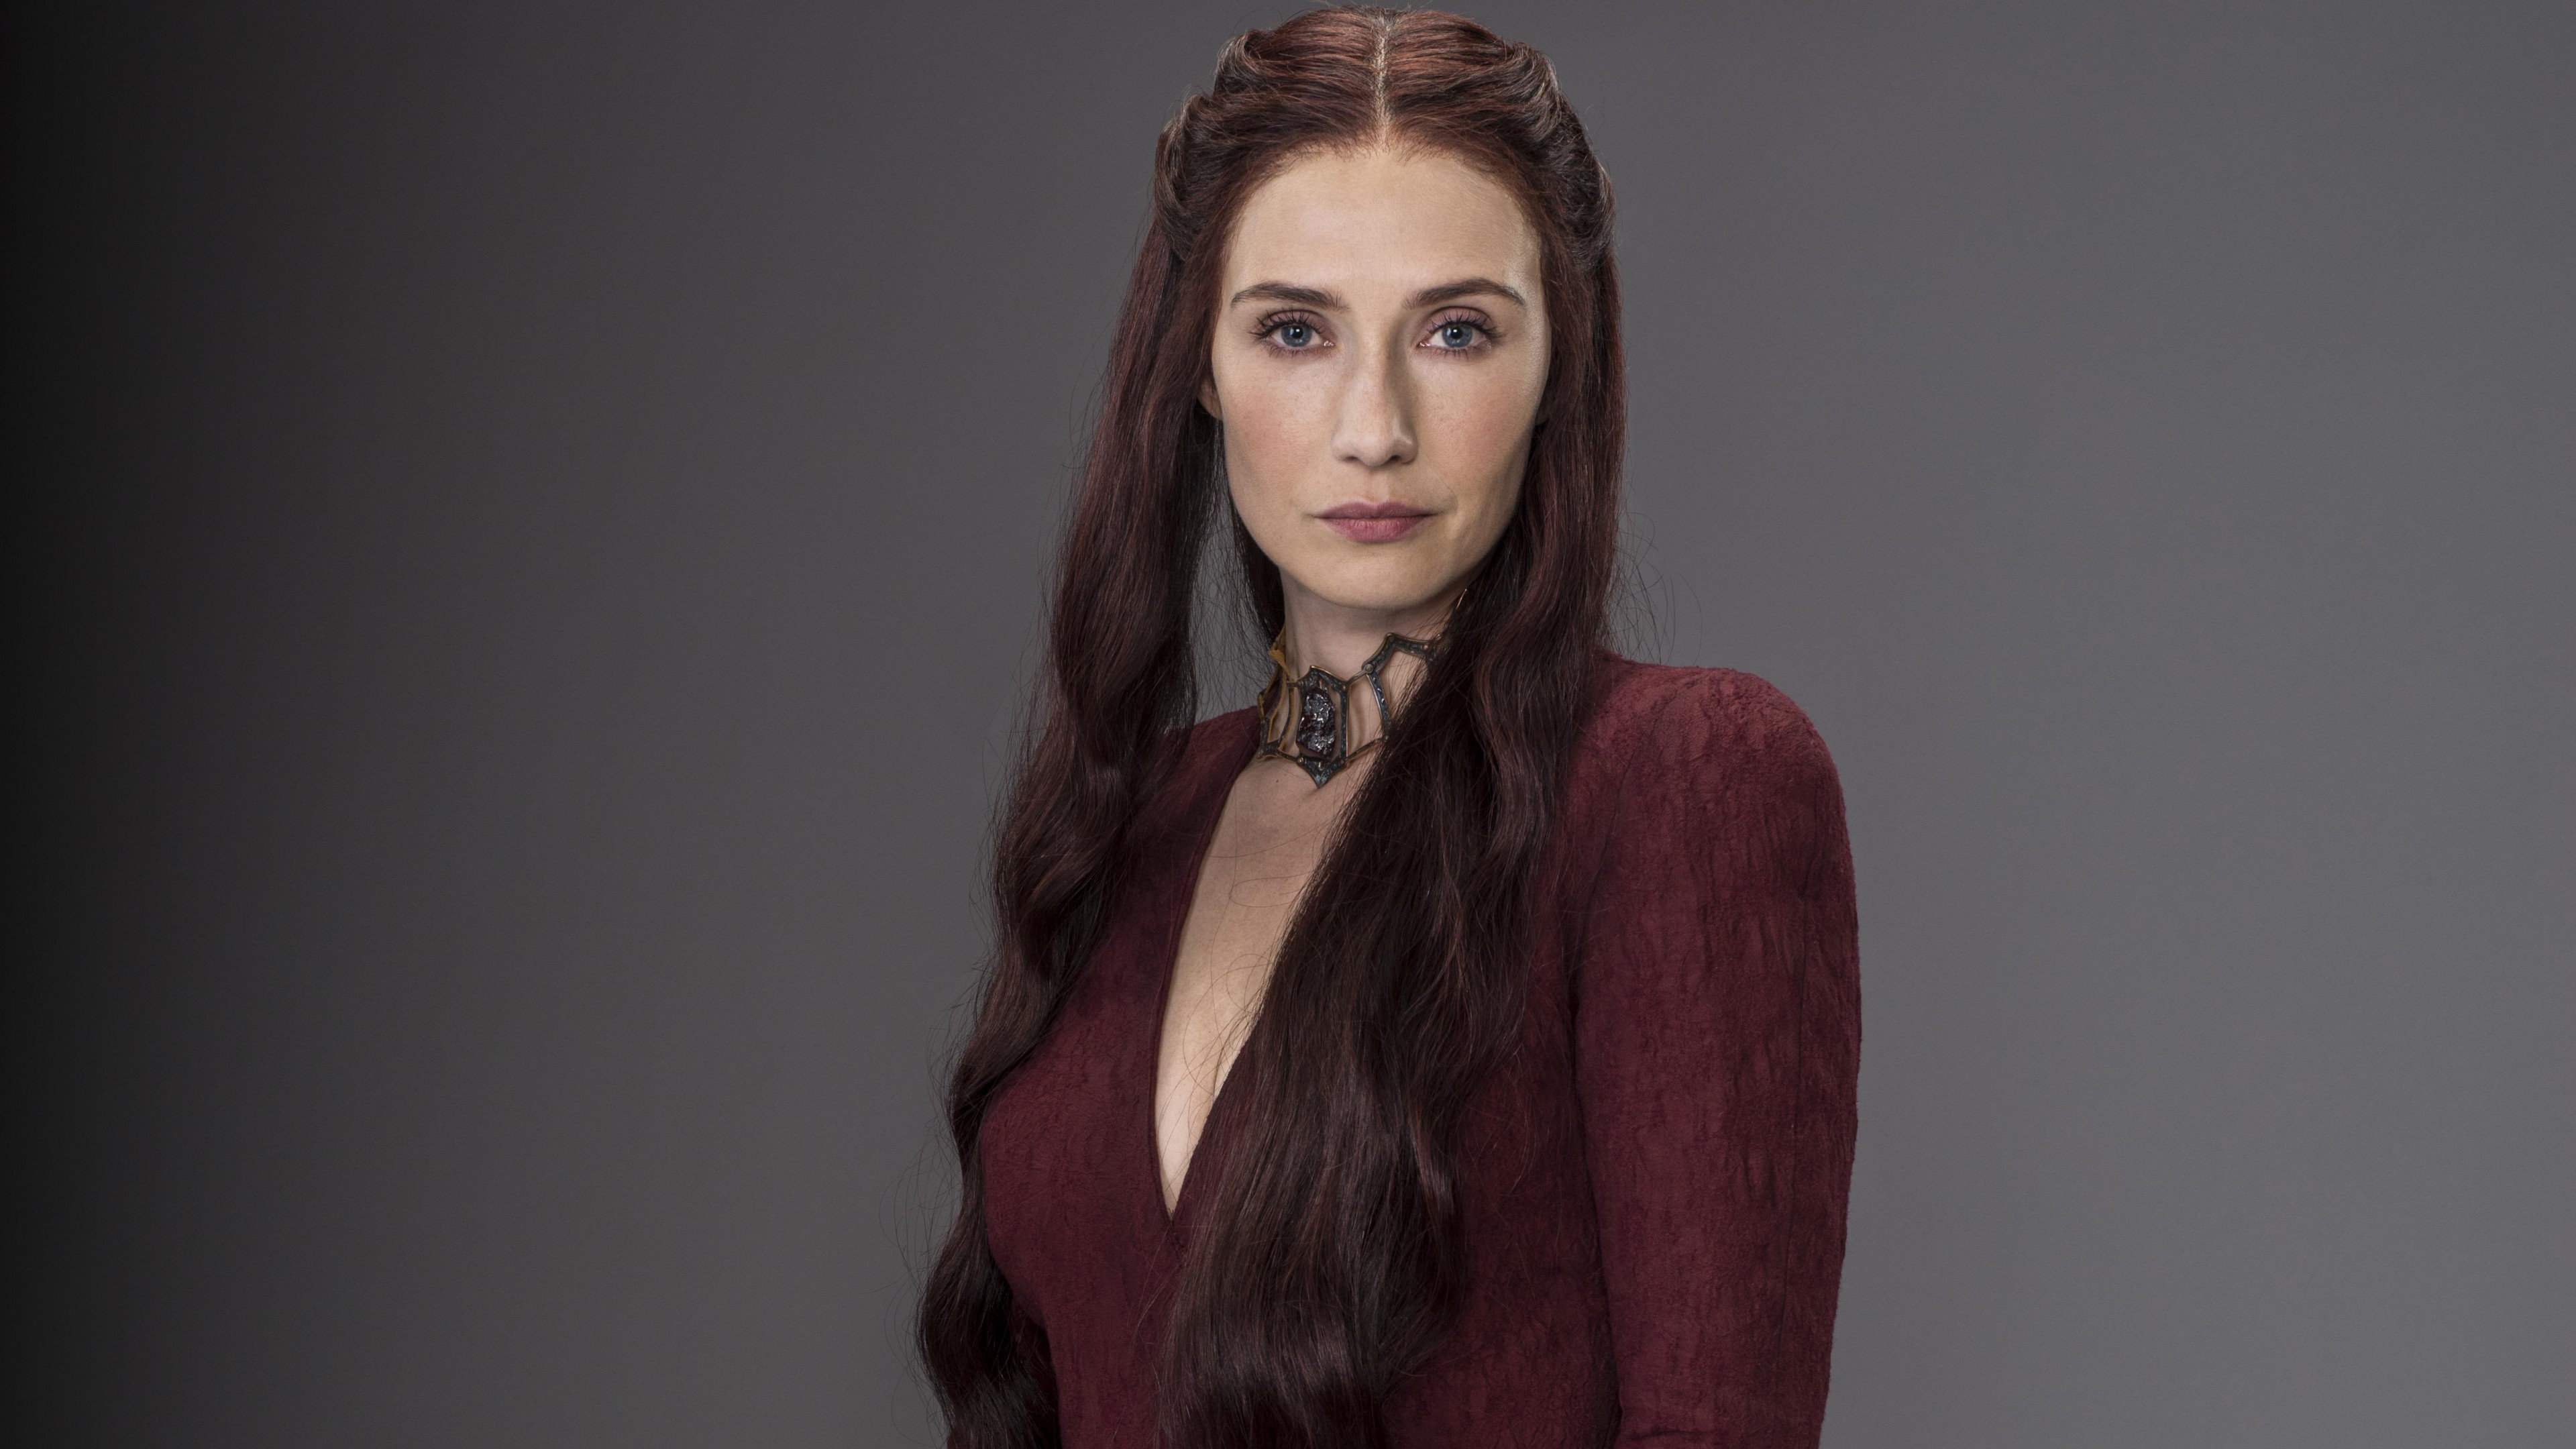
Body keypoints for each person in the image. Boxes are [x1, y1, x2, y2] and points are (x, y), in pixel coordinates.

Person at [918, 9, 1859, 1446]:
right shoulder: (1130, 821)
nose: (1375, 425)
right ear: (1199, 364)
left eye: (1457, 330)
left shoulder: (1681, 778)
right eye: (1294, 330)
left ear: (1560, 363)